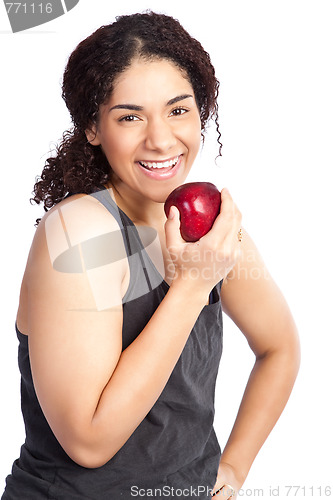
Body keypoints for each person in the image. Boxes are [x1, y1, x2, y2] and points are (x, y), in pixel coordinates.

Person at [2, 11, 300, 500]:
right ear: (93, 128)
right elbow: (89, 441)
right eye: (130, 116)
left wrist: (235, 466)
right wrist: (192, 285)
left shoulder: (211, 233)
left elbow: (280, 349)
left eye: (178, 110)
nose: (161, 139)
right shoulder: (80, 231)